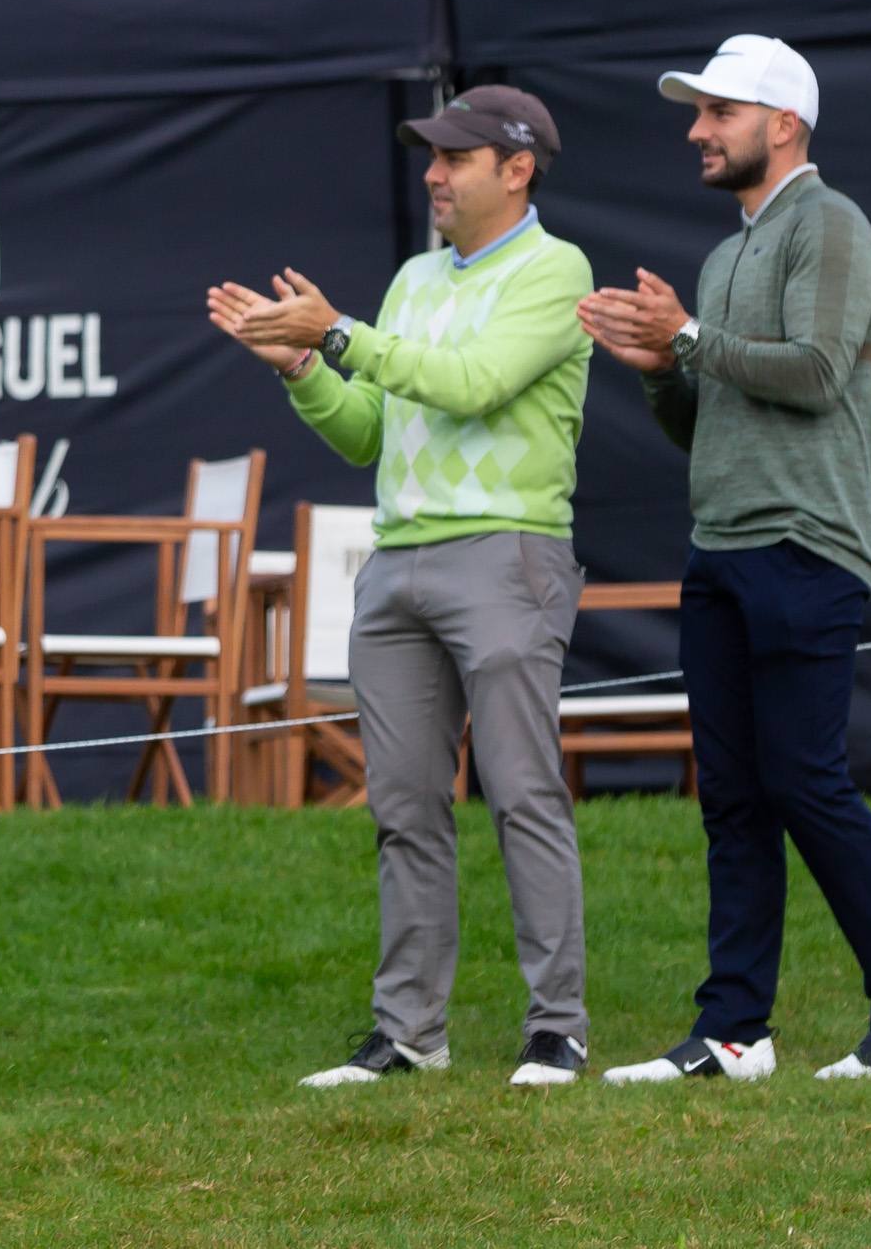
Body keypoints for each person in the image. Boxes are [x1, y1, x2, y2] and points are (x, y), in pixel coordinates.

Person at [203, 85, 598, 1089]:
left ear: (514, 170)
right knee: (402, 808)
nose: (430, 172)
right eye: (428, 155)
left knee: (521, 797)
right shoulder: (415, 278)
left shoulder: (556, 272)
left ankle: (556, 1028)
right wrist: (303, 369)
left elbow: (471, 384)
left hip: (506, 556)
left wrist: (336, 332)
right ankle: (408, 1035)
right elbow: (372, 431)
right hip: (397, 566)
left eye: (453, 158)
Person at [580, 35, 871, 1084]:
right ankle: (733, 1032)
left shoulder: (829, 225)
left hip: (806, 545)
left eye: (717, 112)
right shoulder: (721, 253)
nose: (696, 131)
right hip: (721, 548)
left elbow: (815, 373)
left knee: (803, 781)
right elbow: (705, 426)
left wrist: (687, 338)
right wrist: (661, 365)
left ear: (780, 122)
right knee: (735, 796)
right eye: (696, 113)